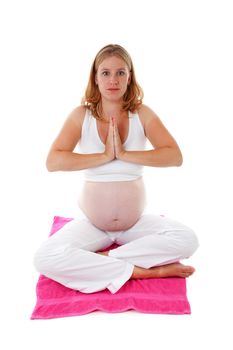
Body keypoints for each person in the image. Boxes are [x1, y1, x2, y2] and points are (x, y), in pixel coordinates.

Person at [34, 44, 199, 294]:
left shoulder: (141, 113)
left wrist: (123, 154)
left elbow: (174, 156)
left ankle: (107, 260)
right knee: (44, 258)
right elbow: (53, 161)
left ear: (130, 77)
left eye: (121, 73)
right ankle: (141, 270)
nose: (113, 80)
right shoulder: (81, 115)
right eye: (106, 73)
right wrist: (103, 156)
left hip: (134, 225)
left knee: (188, 239)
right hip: (93, 225)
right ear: (95, 78)